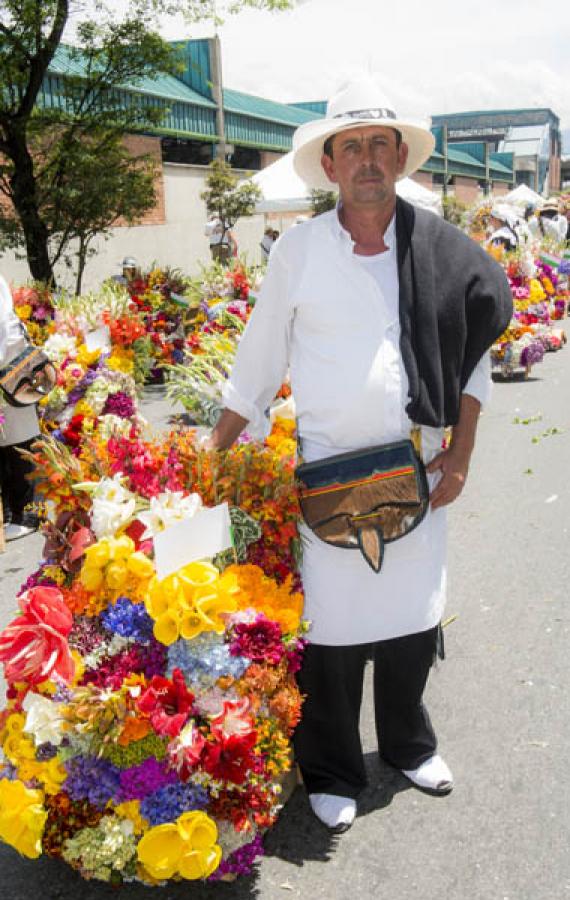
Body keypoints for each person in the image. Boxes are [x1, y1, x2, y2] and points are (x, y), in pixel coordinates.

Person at [204, 76, 512, 832]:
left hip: (418, 471)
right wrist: (206, 464)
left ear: (401, 158)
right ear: (331, 164)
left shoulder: (442, 248)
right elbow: (256, 363)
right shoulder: (301, 253)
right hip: (328, 478)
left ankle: (408, 745)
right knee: (332, 637)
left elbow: (474, 356)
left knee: (412, 620)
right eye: (352, 147)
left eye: (381, 144)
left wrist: (462, 454)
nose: (368, 159)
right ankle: (334, 769)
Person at [0, 274, 41, 541]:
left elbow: (7, 327)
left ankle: (27, 514)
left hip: (8, 371)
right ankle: (11, 513)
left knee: (18, 445)